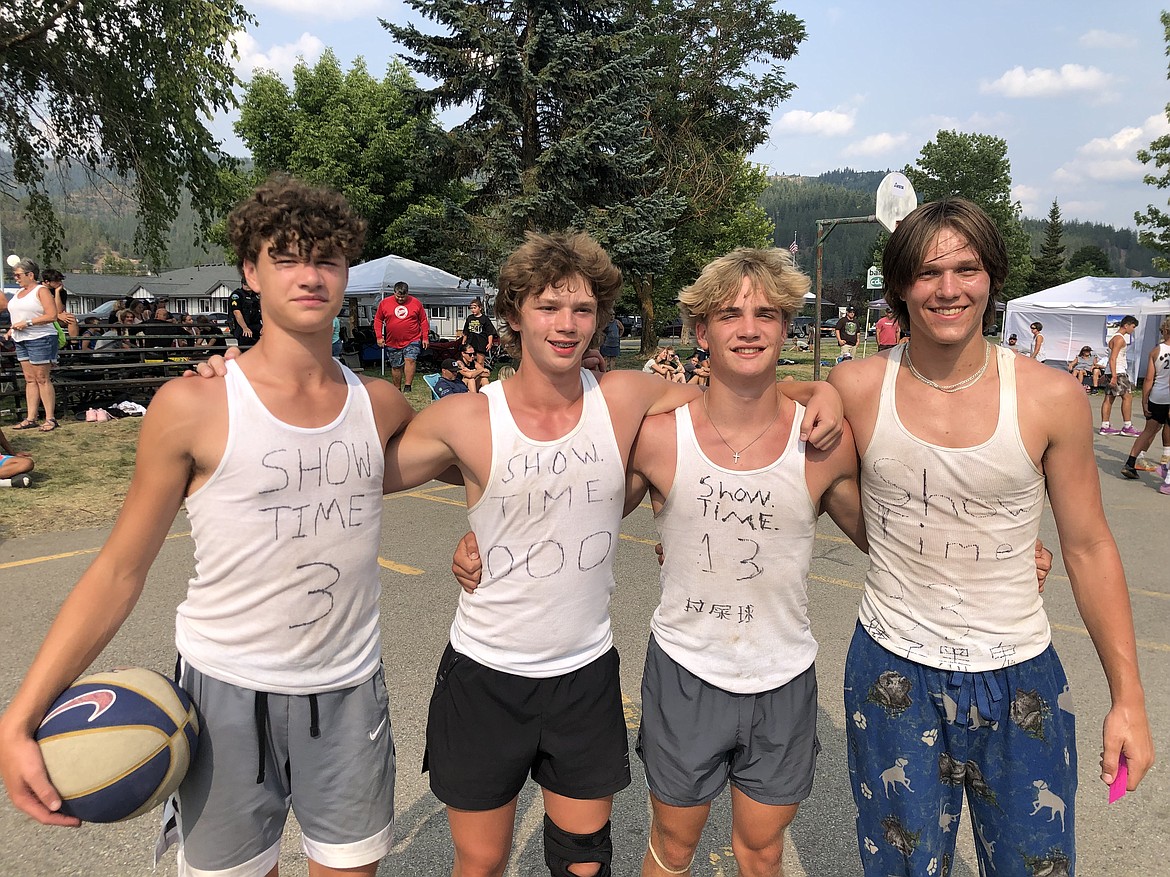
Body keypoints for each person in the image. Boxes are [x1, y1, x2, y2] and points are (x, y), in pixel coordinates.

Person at [379, 231, 841, 877]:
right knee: (479, 861)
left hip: (584, 673)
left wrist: (822, 392)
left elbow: (739, 390)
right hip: (486, 672)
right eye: (548, 307)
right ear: (513, 315)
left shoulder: (626, 398)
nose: (566, 324)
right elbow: (366, 464)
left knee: (583, 863)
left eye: (583, 308)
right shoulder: (465, 418)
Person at [0, 176, 410, 877]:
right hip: (222, 690)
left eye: (329, 258)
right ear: (250, 270)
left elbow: (488, 459)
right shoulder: (192, 404)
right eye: (287, 256)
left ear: (348, 272)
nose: (310, 274)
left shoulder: (381, 404)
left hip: (346, 690)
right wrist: (20, 715)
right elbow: (119, 569)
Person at [827, 197, 1152, 876]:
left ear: (992, 276)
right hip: (893, 672)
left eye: (967, 268)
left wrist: (1129, 699)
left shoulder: (1049, 396)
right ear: (900, 286)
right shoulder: (856, 387)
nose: (948, 288)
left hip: (1020, 676)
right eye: (927, 272)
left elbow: (1088, 545)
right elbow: (788, 452)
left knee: (1036, 866)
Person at [3, 259, 60, 432]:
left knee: (42, 378)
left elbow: (52, 315)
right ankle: (31, 417)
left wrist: (28, 323)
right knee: (29, 379)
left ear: (30, 275)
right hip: (21, 339)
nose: (16, 278)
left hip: (40, 337)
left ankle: (50, 418)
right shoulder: (19, 293)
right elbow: (17, 316)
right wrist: (11, 330)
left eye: (18, 275)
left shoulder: (41, 290)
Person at [1121, 315, 1170, 485]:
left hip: (1157, 395)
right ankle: (1166, 463)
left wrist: (1144, 400)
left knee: (1149, 430)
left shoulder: (1156, 351)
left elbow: (1149, 379)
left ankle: (1131, 462)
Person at [374, 280, 430, 392]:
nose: (400, 299)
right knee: (396, 366)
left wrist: (425, 337)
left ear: (407, 293)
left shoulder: (416, 303)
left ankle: (408, 386)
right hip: (392, 340)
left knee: (410, 359)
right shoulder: (385, 303)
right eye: (398, 296)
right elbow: (378, 320)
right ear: (394, 293)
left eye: (403, 297)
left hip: (412, 339)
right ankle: (397, 388)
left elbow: (423, 320)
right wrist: (379, 336)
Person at [1100, 315, 1141, 436]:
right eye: (1133, 327)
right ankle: (1127, 426)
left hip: (1112, 370)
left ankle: (1105, 425)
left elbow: (1110, 358)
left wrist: (1108, 373)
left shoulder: (1113, 338)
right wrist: (1113, 375)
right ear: (1126, 325)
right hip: (1117, 371)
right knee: (1127, 397)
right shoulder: (1119, 339)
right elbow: (1113, 358)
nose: (1133, 329)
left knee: (1109, 397)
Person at [41, 268, 78, 345]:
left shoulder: (62, 292)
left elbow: (60, 310)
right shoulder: (39, 290)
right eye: (57, 281)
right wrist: (57, 315)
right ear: (47, 282)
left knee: (71, 319)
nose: (60, 283)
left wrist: (57, 292)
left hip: (55, 317)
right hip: (41, 317)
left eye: (60, 280)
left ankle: (74, 344)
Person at [460, 297, 498, 369]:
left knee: (480, 361)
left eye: (474, 308)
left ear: (480, 308)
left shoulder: (485, 319)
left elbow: (490, 332)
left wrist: (490, 343)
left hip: (481, 342)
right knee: (470, 360)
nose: (473, 310)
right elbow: (466, 331)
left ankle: (480, 376)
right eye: (471, 308)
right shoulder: (470, 318)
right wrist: (463, 341)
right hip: (471, 342)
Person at [228, 279, 262, 349]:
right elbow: (237, 312)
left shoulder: (256, 295)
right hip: (242, 326)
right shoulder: (237, 295)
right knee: (246, 347)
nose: (247, 286)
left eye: (249, 284)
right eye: (245, 284)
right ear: (242, 284)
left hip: (256, 326)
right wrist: (245, 328)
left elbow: (263, 310)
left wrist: (265, 326)